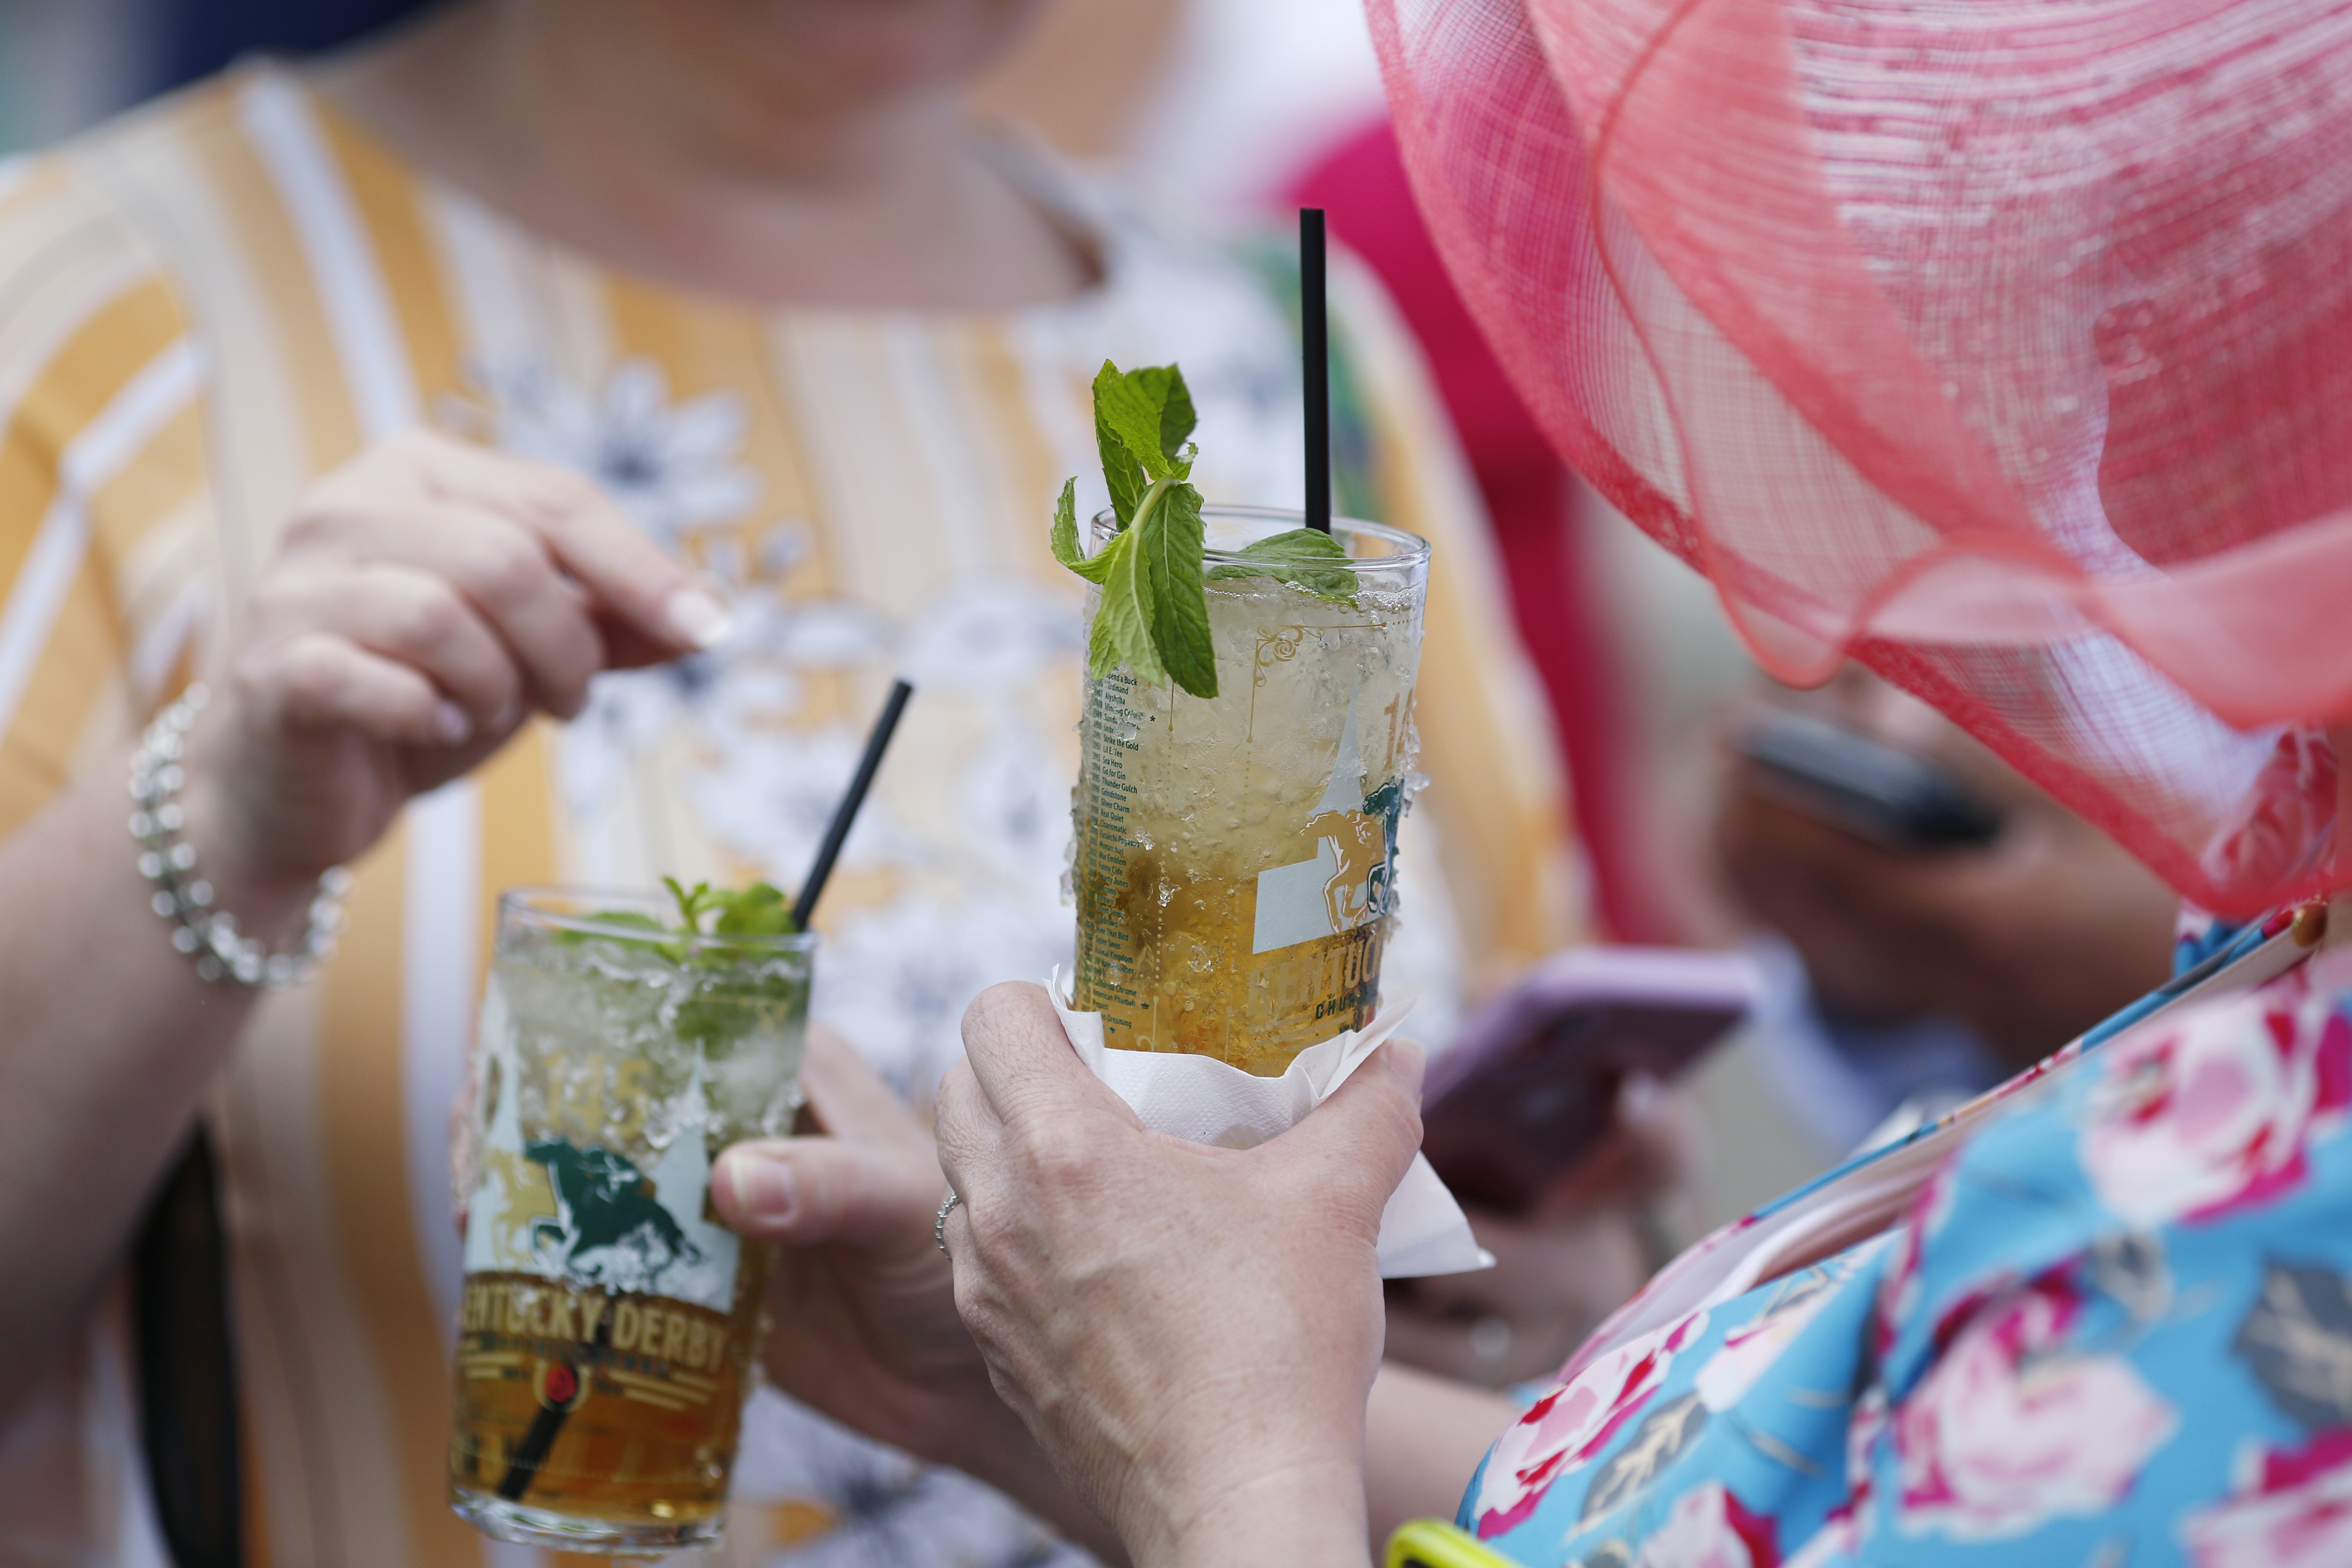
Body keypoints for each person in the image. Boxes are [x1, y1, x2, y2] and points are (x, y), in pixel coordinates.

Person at [716, 0, 2352, 1560]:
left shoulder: (2275, 1191)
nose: (2096, 374)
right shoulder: (2278, 955)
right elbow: (1742, 1505)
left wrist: (1218, 1447)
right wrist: (1024, 1377)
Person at [0, 0, 1588, 1559]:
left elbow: (1522, 1279)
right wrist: (219, 822)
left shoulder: (1290, 349)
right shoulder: (96, 306)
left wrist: (1563, 1299)